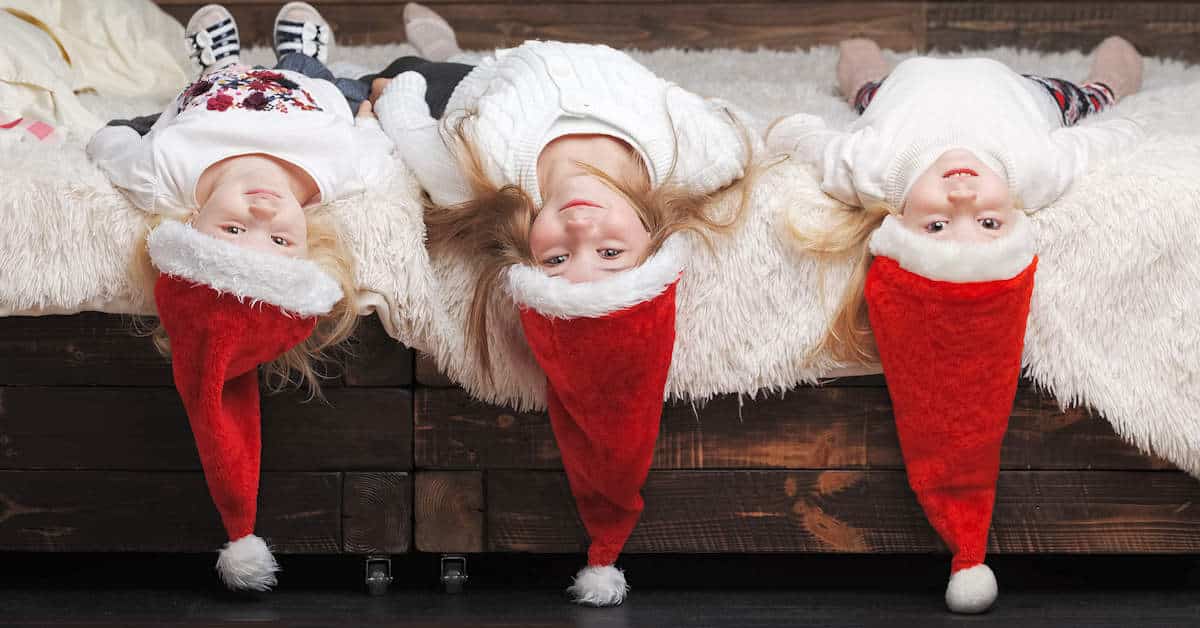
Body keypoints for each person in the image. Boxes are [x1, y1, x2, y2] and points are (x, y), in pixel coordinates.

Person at [371, 3, 757, 606]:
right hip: (596, 74)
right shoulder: (687, 158)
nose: (579, 235)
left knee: (403, 73)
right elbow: (738, 130)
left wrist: (402, 92)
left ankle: (435, 55)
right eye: (610, 253)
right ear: (652, 236)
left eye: (554, 263)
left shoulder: (482, 175)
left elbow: (407, 119)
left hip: (485, 84)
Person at [768, 37, 1144, 613]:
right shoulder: (1035, 171)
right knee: (1094, 98)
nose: (963, 193)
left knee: (865, 87)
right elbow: (1111, 139)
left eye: (938, 226)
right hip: (1025, 95)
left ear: (898, 219)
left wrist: (788, 131)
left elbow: (815, 143)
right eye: (990, 222)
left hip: (902, 90)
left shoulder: (876, 171)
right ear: (1015, 214)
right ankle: (1114, 74)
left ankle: (864, 69)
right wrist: (1125, 114)